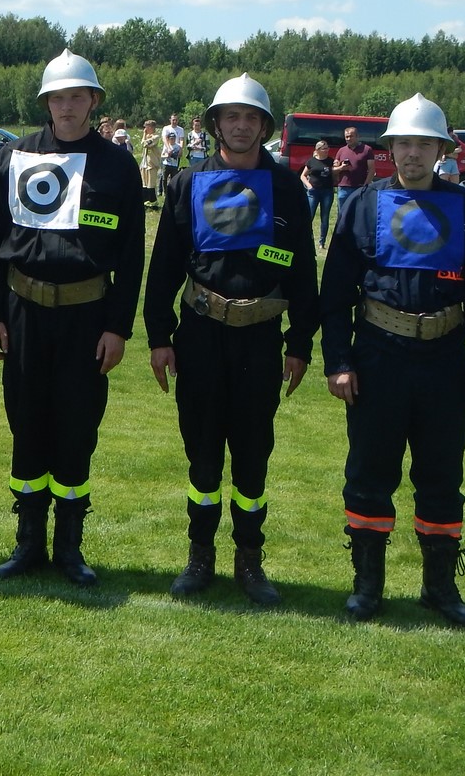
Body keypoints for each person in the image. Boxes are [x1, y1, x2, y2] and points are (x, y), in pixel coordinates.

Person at [319, 94, 465, 626]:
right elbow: (335, 294)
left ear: (441, 150)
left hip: (445, 359)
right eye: (404, 143)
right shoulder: (362, 205)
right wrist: (338, 361)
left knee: (441, 475)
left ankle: (440, 588)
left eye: (424, 144)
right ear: (390, 148)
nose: (413, 154)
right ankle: (367, 586)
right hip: (378, 356)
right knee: (369, 472)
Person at [143, 74, 320, 603]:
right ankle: (200, 555)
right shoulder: (187, 183)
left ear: (264, 126)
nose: (241, 126)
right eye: (232, 116)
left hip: (261, 341)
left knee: (252, 455)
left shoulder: (287, 188)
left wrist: (300, 343)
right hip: (200, 336)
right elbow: (164, 266)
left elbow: (303, 272)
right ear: (216, 124)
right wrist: (159, 336)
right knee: (202, 456)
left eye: (251, 118)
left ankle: (250, 559)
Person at [0, 49, 146, 586]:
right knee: (26, 424)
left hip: (86, 317)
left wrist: (117, 327)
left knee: (76, 428)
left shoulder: (117, 166)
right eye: (57, 97)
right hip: (23, 313)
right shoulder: (15, 156)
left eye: (77, 96)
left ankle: (69, 547)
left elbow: (131, 256)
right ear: (46, 103)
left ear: (93, 101)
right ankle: (27, 542)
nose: (67, 106)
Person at [332, 125, 374, 214]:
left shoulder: (367, 149)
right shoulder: (341, 150)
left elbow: (371, 170)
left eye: (351, 136)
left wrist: (366, 185)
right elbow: (333, 169)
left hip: (359, 187)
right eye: (346, 137)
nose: (348, 139)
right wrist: (341, 167)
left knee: (358, 213)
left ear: (357, 136)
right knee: (342, 213)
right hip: (343, 188)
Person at [303, 139, 334, 248]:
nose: (326, 150)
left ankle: (322, 242)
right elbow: (303, 175)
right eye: (324, 148)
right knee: (309, 215)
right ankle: (306, 238)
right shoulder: (311, 161)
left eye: (327, 148)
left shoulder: (331, 161)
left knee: (325, 217)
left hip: (327, 191)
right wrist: (309, 185)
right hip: (313, 192)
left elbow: (335, 172)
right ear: (318, 150)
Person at [159, 113, 183, 200]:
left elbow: (181, 140)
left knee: (174, 174)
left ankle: (173, 191)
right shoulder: (166, 128)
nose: (174, 121)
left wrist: (180, 149)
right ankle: (161, 191)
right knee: (163, 175)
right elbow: (164, 138)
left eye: (176, 120)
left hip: (176, 151)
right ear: (170, 120)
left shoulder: (180, 129)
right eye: (173, 120)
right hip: (167, 152)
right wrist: (168, 148)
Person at [139, 120, 161, 205]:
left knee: (151, 183)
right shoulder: (147, 136)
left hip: (152, 163)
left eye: (147, 126)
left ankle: (153, 201)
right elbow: (142, 144)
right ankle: (145, 200)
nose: (145, 128)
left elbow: (145, 144)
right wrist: (145, 136)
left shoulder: (155, 137)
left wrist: (144, 136)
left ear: (152, 127)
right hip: (144, 163)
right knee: (144, 182)